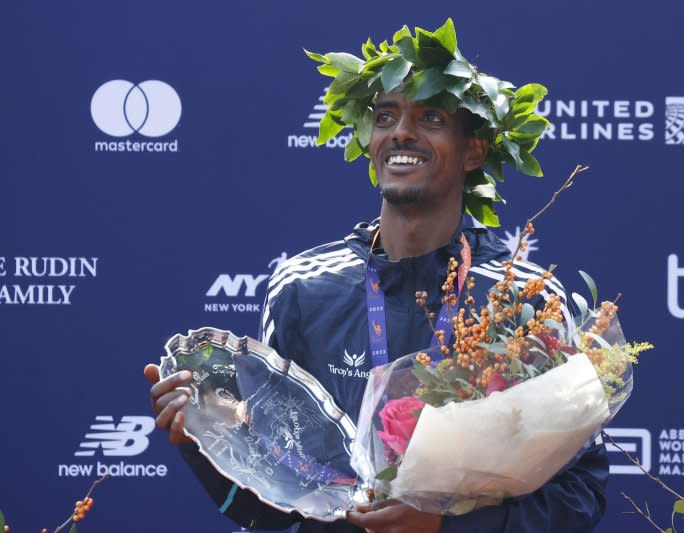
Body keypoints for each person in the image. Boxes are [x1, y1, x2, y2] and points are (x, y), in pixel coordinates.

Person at [145, 20, 609, 533]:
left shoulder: (524, 299)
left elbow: (579, 495)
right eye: (386, 117)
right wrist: (203, 441)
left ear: (474, 149)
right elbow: (271, 507)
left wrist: (443, 529)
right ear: (370, 141)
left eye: (430, 117)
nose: (401, 132)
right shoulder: (302, 288)